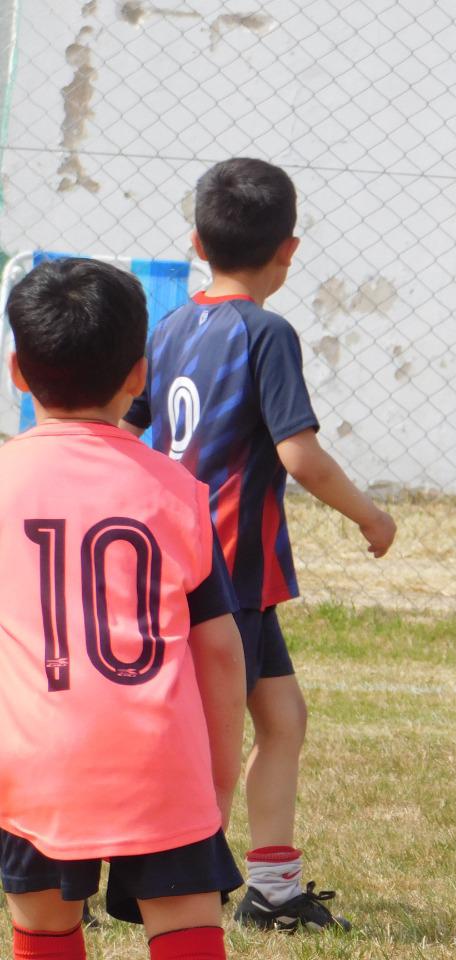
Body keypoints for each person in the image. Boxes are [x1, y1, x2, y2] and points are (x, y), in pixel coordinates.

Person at [123, 157, 397, 931]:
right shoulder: (266, 333)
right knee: (210, 741)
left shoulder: (171, 325)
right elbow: (298, 453)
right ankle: (176, 890)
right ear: (290, 248)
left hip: (194, 566)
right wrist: (371, 517)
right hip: (224, 575)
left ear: (195, 241)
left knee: (284, 717)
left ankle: (271, 888)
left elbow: (133, 425)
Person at [0, 258, 245, 959]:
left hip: (33, 765)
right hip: (158, 764)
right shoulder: (177, 492)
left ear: (18, 371)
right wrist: (215, 786)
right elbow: (223, 652)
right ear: (140, 374)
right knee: (187, 931)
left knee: (44, 928)